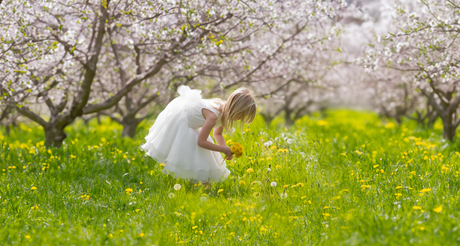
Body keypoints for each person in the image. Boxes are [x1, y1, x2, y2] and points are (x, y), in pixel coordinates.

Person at [140, 85, 256, 186]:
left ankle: (200, 188)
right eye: (242, 115)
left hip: (194, 124)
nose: (241, 119)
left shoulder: (224, 110)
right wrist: (222, 149)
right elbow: (201, 142)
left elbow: (218, 133)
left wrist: (226, 150)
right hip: (183, 122)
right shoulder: (213, 116)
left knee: (204, 157)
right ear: (235, 109)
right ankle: (181, 186)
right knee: (191, 155)